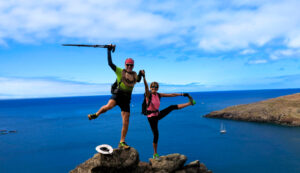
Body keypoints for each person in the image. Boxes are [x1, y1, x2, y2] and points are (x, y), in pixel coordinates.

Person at [88, 44, 143, 149]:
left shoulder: (135, 76)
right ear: (125, 65)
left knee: (126, 121)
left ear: (133, 66)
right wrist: (108, 50)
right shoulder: (119, 71)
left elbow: (139, 79)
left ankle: (122, 142)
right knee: (108, 106)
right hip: (118, 95)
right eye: (128, 65)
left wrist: (140, 73)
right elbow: (110, 63)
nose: (129, 67)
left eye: (131, 65)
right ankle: (96, 114)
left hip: (126, 99)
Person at [141, 71, 196, 159]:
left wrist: (182, 94)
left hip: (158, 114)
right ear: (150, 88)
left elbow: (171, 94)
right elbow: (145, 87)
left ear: (157, 88)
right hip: (151, 118)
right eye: (152, 87)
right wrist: (144, 77)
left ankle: (190, 103)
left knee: (172, 107)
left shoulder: (159, 95)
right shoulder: (148, 95)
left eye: (155, 87)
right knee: (156, 134)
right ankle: (155, 154)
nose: (154, 88)